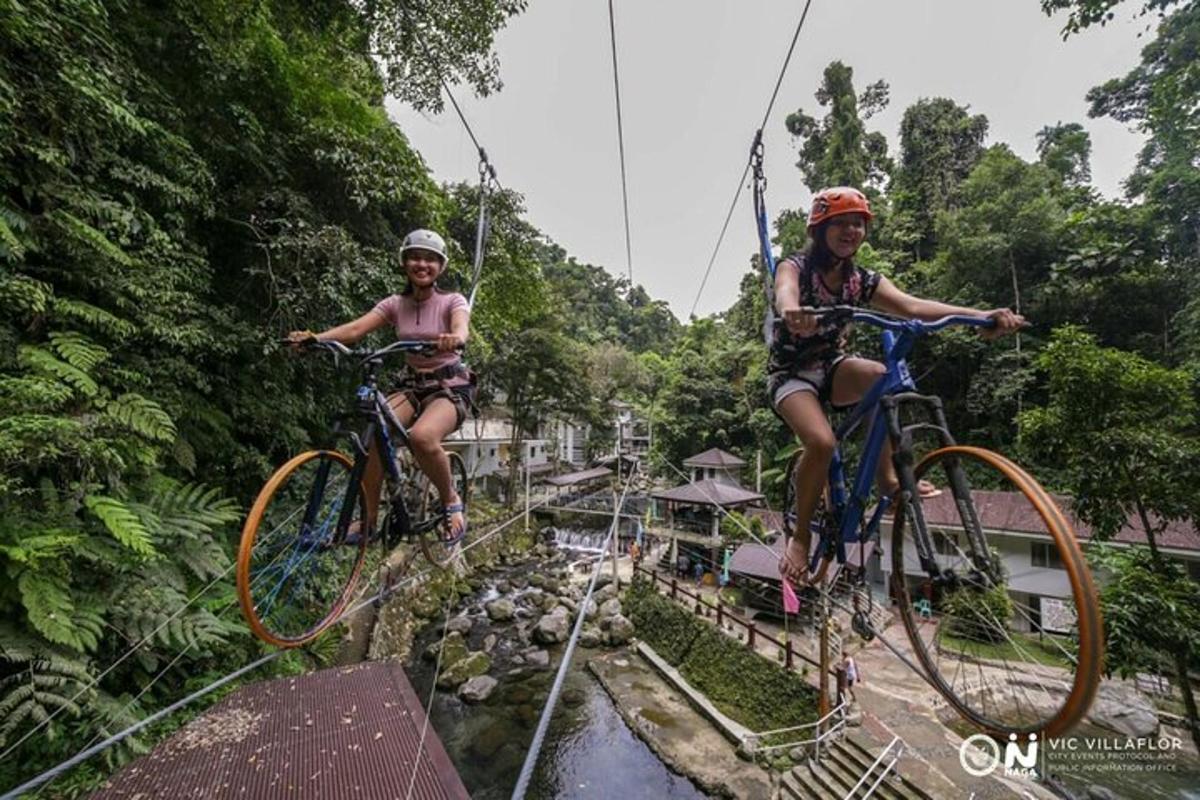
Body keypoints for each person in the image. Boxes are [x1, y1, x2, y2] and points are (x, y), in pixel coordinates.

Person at [771, 187, 1023, 583]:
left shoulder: (862, 280)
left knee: (881, 377)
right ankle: (800, 537)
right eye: (840, 223)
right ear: (819, 229)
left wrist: (980, 316)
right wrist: (792, 312)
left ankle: (887, 480)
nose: (850, 230)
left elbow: (912, 306)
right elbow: (784, 291)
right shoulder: (795, 266)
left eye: (857, 223)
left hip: (833, 366)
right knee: (821, 443)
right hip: (791, 374)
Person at [288, 229, 474, 542]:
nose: (422, 264)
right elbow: (356, 328)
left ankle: (450, 500)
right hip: (411, 388)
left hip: (448, 387)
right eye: (415, 257)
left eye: (430, 259)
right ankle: (368, 521)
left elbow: (461, 326)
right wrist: (316, 339)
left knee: (423, 437)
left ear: (440, 267)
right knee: (375, 433)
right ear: (404, 262)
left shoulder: (451, 301)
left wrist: (454, 338)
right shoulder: (394, 304)